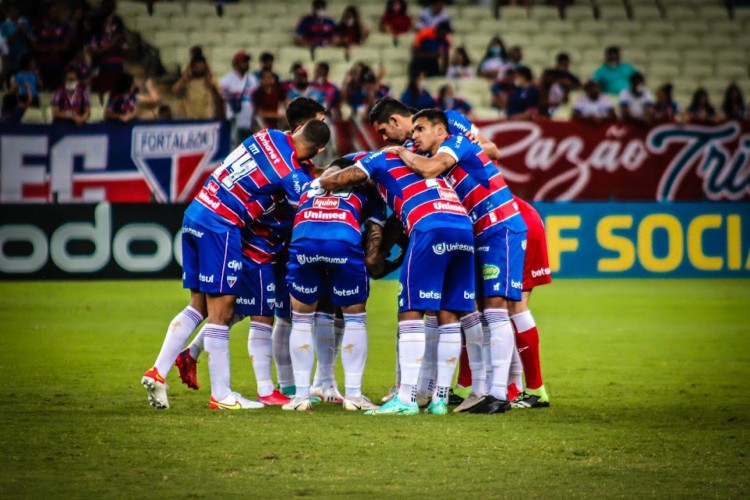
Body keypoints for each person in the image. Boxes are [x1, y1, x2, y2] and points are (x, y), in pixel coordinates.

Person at [141, 119, 331, 410]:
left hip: (197, 211)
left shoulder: (267, 135)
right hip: (222, 225)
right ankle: (221, 395)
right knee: (222, 310)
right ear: (319, 150)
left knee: (198, 305)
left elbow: (289, 166)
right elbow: (304, 196)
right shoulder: (290, 174)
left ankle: (157, 372)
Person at [387, 109, 528, 414]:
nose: (415, 136)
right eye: (413, 133)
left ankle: (499, 393)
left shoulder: (455, 144)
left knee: (495, 308)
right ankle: (481, 390)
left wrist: (399, 152)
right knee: (474, 310)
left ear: (440, 130)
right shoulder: (444, 150)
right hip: (478, 232)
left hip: (499, 225)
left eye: (421, 129)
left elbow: (429, 169)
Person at [318, 150, 476, 416]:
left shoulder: (378, 160)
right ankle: (439, 399)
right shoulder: (427, 166)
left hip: (429, 226)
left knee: (411, 312)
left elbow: (332, 182)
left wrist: (324, 177)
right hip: (462, 227)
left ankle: (406, 398)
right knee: (449, 313)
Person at [283, 158, 385, 412]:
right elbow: (375, 235)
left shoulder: (309, 186)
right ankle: (354, 395)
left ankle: (300, 397)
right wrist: (373, 261)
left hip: (304, 239)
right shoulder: (367, 189)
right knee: (355, 319)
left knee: (301, 319)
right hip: (342, 239)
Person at [454, 196, 551, 410]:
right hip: (515, 215)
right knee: (495, 307)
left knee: (504, 306)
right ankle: (474, 384)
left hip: (502, 223)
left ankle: (522, 387)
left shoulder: (441, 167)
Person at [28, 0, 71, 90]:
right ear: (46, 12)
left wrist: (58, 48)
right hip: (41, 63)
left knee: (57, 89)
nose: (55, 14)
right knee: (41, 88)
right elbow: (33, 46)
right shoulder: (37, 27)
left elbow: (65, 45)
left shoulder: (64, 26)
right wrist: (49, 48)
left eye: (56, 11)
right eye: (52, 11)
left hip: (57, 63)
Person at [219, 50, 258, 144]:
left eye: (247, 61)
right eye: (244, 61)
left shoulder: (252, 79)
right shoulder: (226, 81)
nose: (246, 64)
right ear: (236, 63)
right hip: (233, 119)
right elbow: (222, 101)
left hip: (249, 120)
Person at [171, 55, 224, 119]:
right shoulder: (188, 80)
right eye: (197, 68)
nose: (199, 70)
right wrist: (184, 77)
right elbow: (174, 90)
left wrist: (211, 84)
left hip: (207, 117)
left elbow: (221, 96)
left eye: (201, 68)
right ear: (192, 68)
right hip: (191, 117)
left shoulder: (211, 80)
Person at [88, 12, 127, 96]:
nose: (108, 24)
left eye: (111, 22)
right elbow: (95, 51)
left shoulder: (120, 37)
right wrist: (112, 44)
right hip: (103, 64)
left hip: (118, 65)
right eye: (107, 22)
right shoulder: (97, 37)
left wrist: (118, 43)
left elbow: (125, 51)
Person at [0, 2, 31, 80]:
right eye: (12, 10)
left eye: (16, 9)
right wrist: (17, 31)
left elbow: (30, 37)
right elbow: (5, 42)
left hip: (23, 54)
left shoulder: (24, 22)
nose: (15, 12)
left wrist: (23, 30)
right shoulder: (3, 25)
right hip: (11, 54)